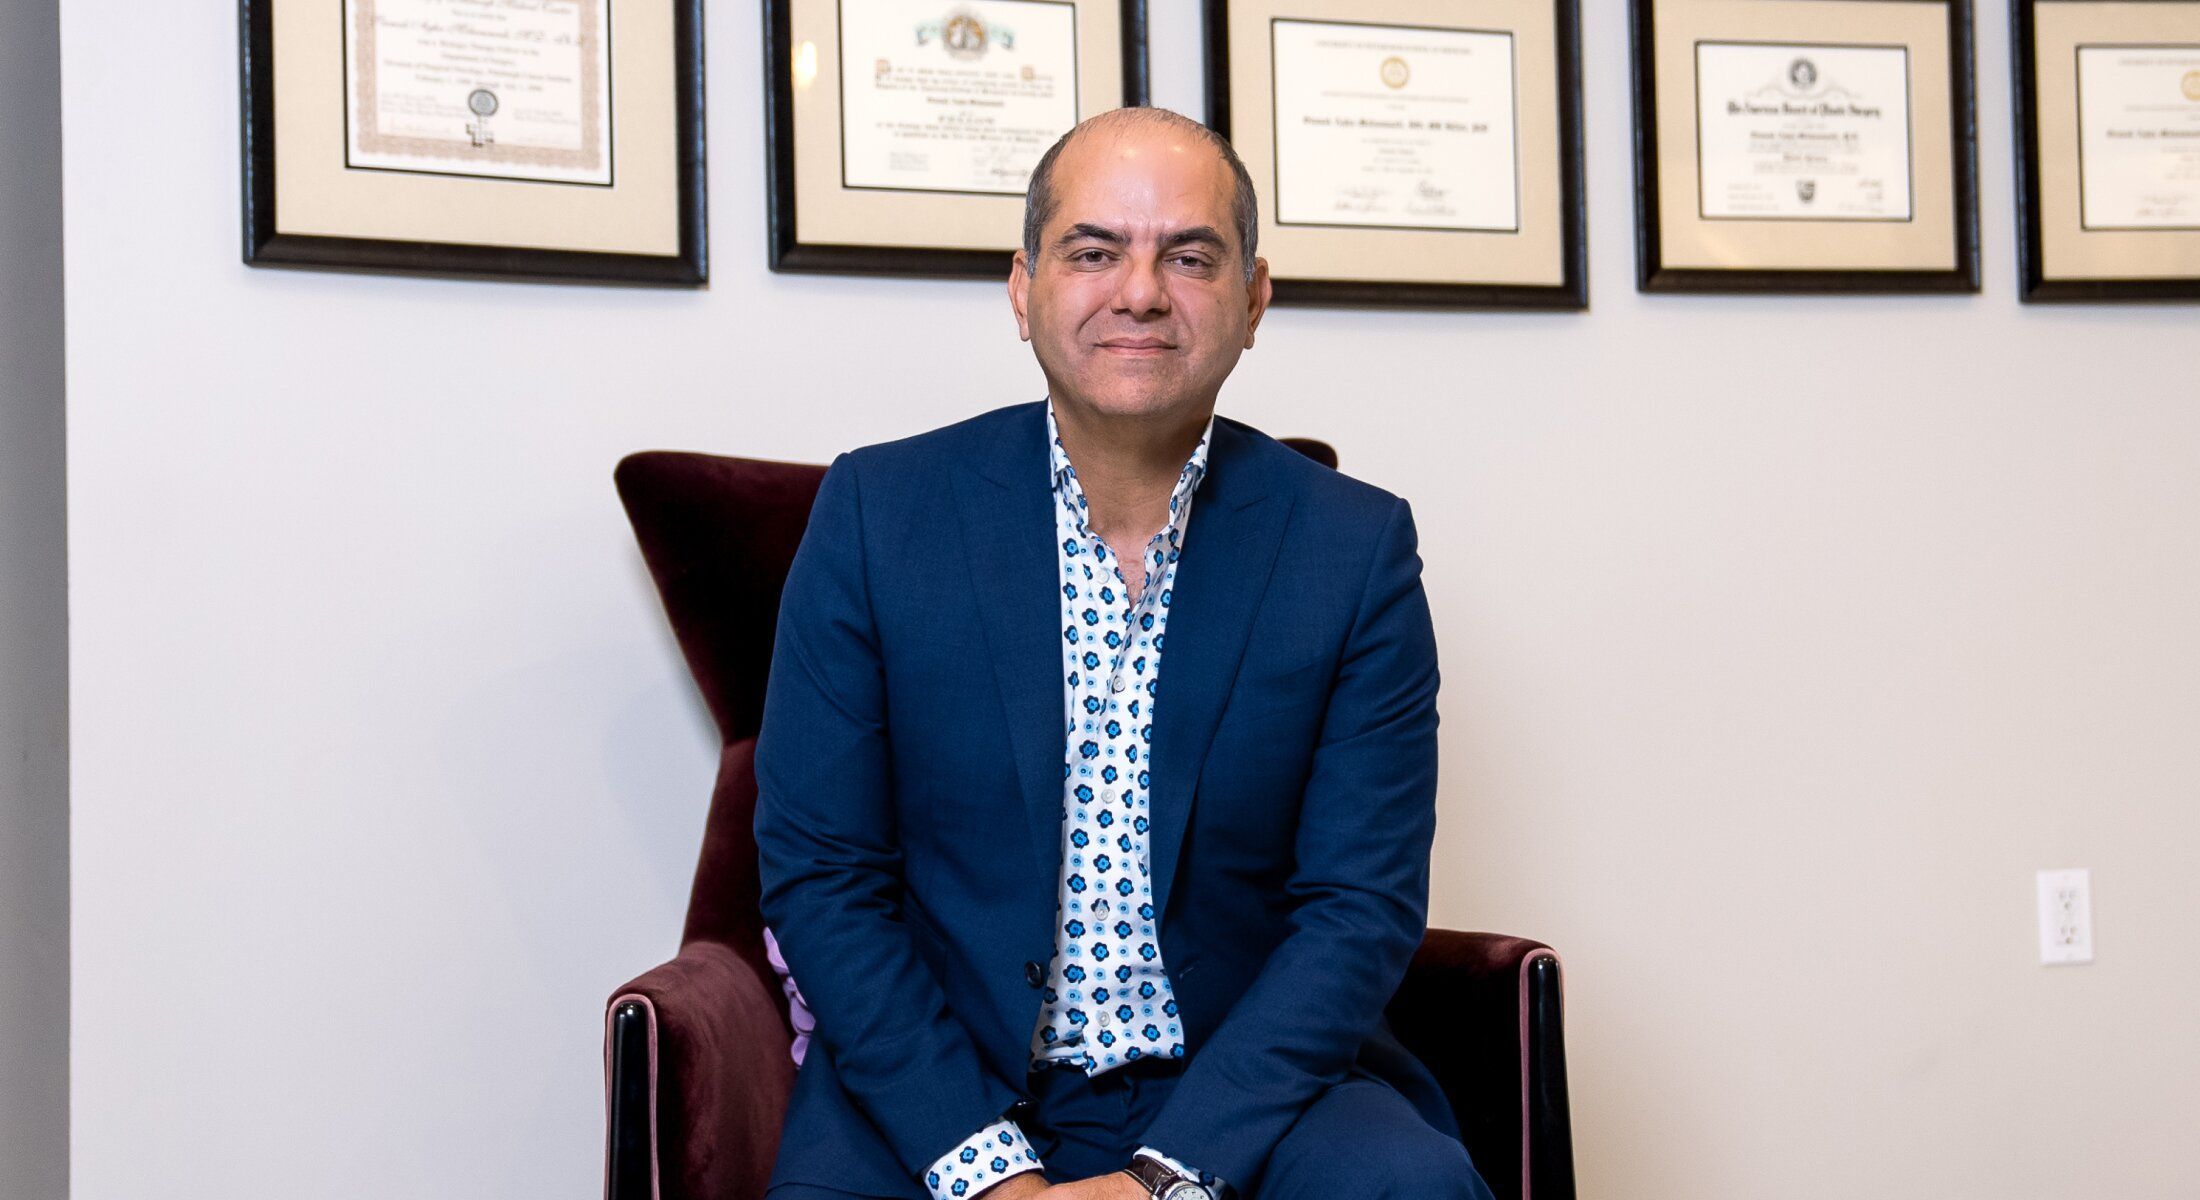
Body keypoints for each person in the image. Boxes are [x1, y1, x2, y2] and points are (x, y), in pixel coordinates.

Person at [754, 106, 1494, 1200]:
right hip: (943, 1079)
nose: (1140, 291)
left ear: (1253, 300)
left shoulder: (1352, 548)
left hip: (1242, 1086)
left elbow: (1359, 904)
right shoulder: (877, 514)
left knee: (1406, 1186)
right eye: (1092, 252)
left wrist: (1166, 1177)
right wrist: (988, 1172)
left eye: (1189, 257)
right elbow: (822, 875)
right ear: (1023, 290)